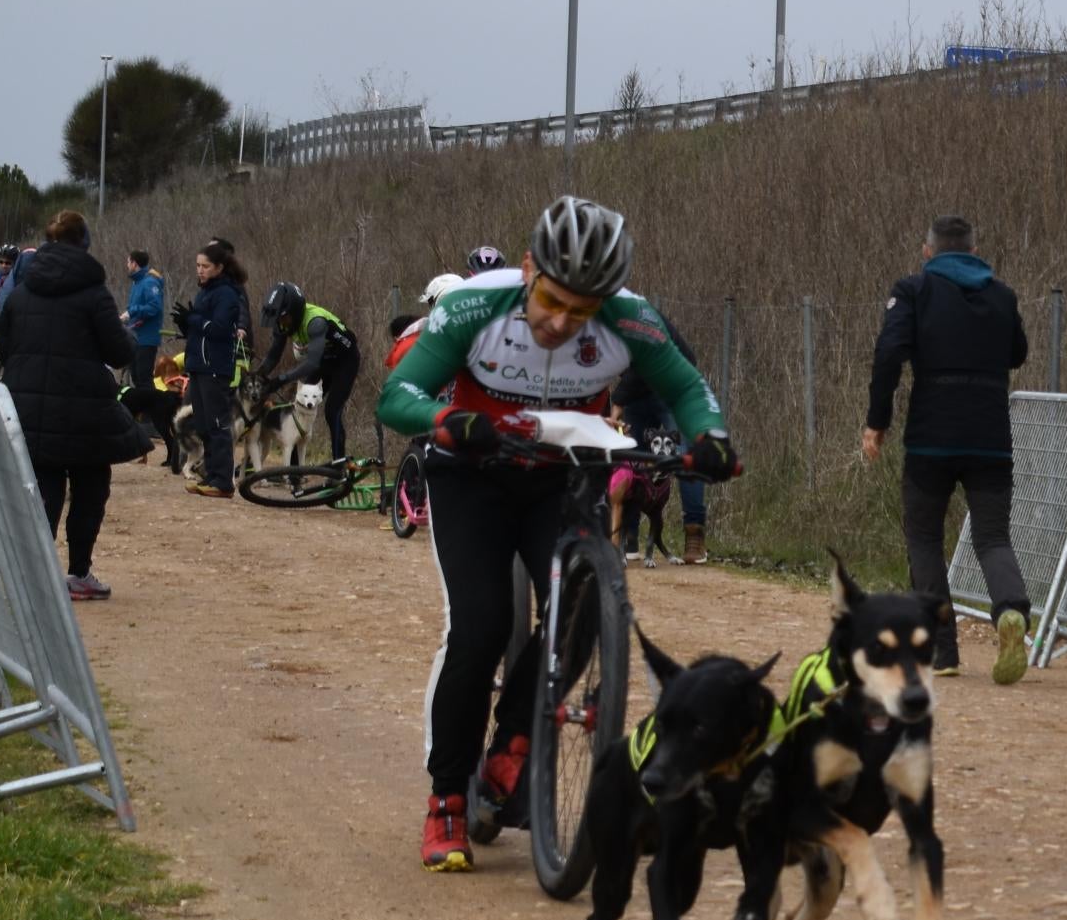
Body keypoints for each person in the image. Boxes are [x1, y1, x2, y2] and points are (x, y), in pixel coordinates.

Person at [378, 195, 738, 872]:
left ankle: (513, 744)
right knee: (481, 627)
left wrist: (711, 438)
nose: (562, 321)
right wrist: (445, 421)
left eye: (583, 309)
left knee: (581, 611)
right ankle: (447, 799)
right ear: (527, 270)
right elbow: (396, 396)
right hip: (473, 473)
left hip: (563, 476)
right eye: (552, 300)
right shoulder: (474, 307)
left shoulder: (630, 320)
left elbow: (689, 388)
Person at [864, 213, 1032, 684]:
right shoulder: (1002, 295)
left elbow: (888, 353)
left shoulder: (914, 290)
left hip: (932, 438)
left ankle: (943, 651)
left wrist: (877, 421)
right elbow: (1017, 353)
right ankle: (1010, 613)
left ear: (928, 252)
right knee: (993, 537)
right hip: (991, 438)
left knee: (924, 538)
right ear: (974, 252)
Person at [0, 209, 146, 599]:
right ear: (84, 243)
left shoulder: (22, 292)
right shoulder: (94, 294)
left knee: (44, 487)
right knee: (90, 487)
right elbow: (118, 350)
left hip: (28, 410)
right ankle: (78, 572)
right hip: (85, 413)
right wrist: (126, 335)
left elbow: (6, 349)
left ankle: (38, 576)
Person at [612, 295, 712, 565]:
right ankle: (629, 534)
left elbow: (647, 363)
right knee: (631, 457)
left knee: (682, 456)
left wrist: (617, 401)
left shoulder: (638, 318)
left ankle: (694, 535)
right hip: (638, 392)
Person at [256, 281, 361, 458]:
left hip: (345, 361)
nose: (281, 324)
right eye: (278, 320)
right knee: (299, 405)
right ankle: (295, 471)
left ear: (294, 313)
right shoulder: (284, 323)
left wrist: (281, 380)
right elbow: (273, 356)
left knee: (332, 410)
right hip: (324, 360)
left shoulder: (315, 322)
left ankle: (339, 466)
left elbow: (311, 364)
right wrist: (257, 378)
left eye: (283, 318)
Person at [177, 238, 247, 496]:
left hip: (214, 366)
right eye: (197, 265)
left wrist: (193, 319)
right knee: (204, 424)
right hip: (198, 364)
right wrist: (186, 324)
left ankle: (223, 482)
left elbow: (218, 329)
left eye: (205, 266)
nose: (200, 270)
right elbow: (200, 327)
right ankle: (210, 475)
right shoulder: (205, 290)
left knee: (218, 423)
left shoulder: (228, 293)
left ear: (219, 267)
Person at [120, 247, 177, 470]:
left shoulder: (149, 282)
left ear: (135, 263)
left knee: (144, 383)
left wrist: (131, 312)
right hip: (135, 338)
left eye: (128, 262)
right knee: (137, 380)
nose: (127, 266)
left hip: (146, 340)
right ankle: (144, 438)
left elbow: (154, 308)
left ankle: (152, 433)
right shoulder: (137, 282)